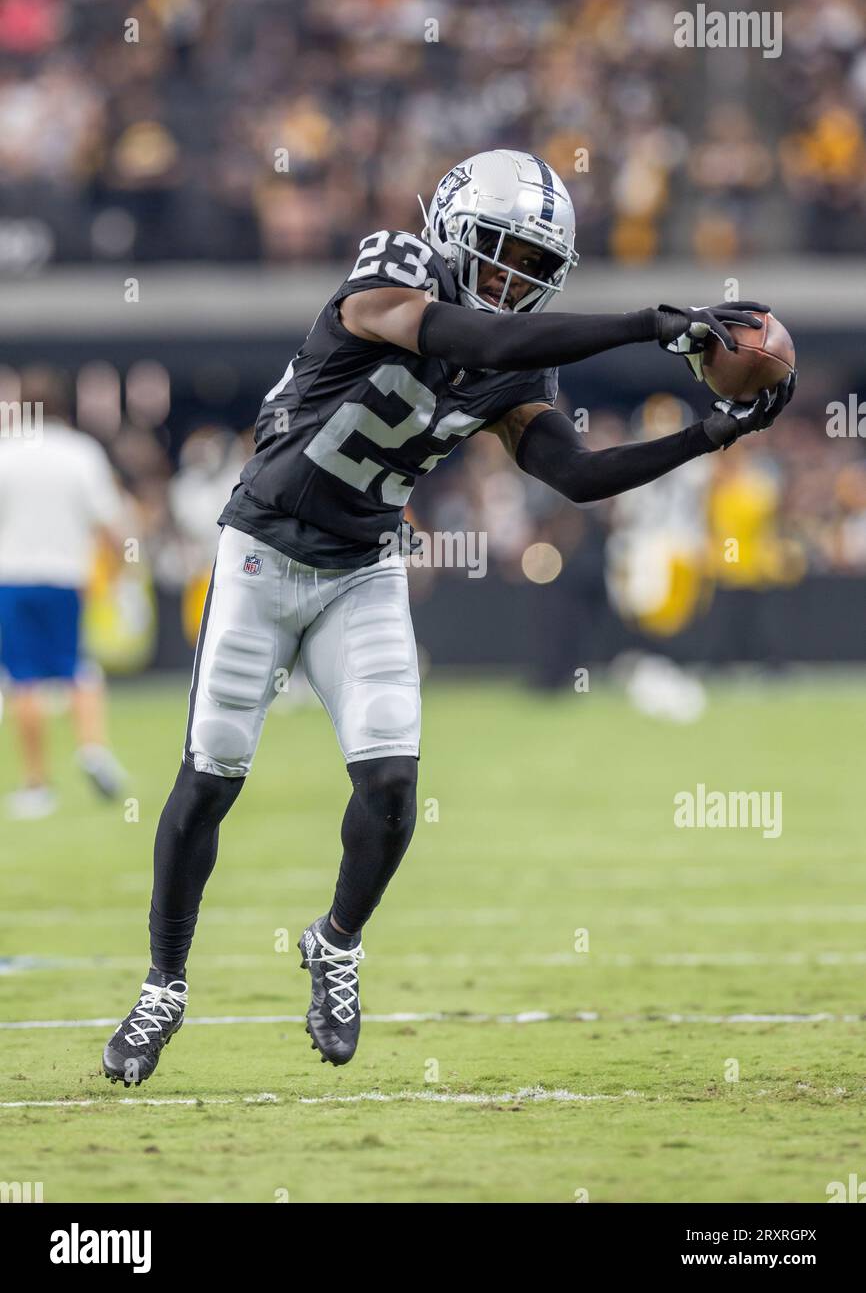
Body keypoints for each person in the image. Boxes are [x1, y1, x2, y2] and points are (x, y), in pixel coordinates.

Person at [102, 149, 795, 1085]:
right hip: (261, 552)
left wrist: (709, 434)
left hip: (363, 567)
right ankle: (164, 985)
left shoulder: (519, 367)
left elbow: (578, 476)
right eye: (499, 253)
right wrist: (648, 324)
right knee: (212, 776)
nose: (511, 282)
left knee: (391, 787)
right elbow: (468, 342)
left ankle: (336, 945)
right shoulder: (396, 266)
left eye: (531, 269)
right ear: (455, 228)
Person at [0, 366, 127, 818]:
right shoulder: (81, 452)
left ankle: (37, 786)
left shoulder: (7, 452)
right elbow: (111, 524)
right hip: (67, 577)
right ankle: (92, 747)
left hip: (13, 578)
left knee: (24, 680)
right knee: (76, 667)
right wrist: (117, 575)